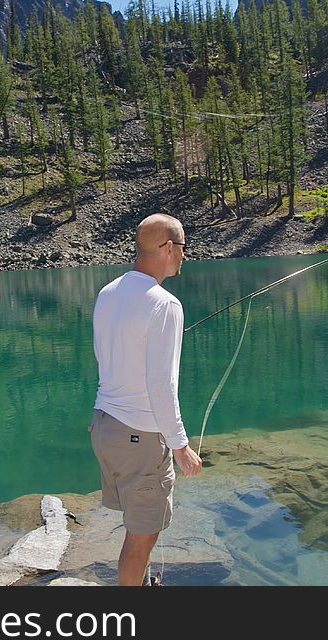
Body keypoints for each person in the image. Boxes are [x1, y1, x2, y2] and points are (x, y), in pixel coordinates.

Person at [88, 213, 203, 586]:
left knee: (139, 528)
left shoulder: (108, 292)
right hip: (140, 437)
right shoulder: (166, 305)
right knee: (141, 539)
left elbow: (106, 357)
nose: (185, 255)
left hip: (105, 427)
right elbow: (161, 385)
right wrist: (180, 445)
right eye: (183, 247)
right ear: (168, 248)